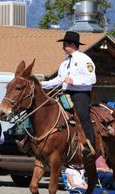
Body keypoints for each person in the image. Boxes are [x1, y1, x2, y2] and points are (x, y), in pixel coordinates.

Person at [40, 30, 97, 158]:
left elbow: (92, 79)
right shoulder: (65, 62)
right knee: (51, 113)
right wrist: (41, 84)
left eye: (65, 43)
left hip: (80, 94)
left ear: (73, 44)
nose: (63, 46)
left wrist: (74, 81)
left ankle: (89, 145)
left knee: (82, 115)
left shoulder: (85, 59)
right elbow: (59, 80)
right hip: (65, 93)